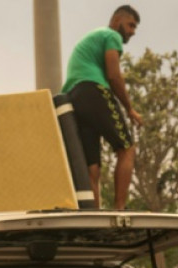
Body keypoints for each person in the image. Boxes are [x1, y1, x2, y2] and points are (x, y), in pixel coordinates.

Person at [61, 5, 143, 210]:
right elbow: (114, 76)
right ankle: (120, 209)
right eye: (130, 25)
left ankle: (93, 216)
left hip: (74, 97)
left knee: (92, 168)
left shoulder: (93, 37)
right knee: (126, 149)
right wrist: (129, 108)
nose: (133, 31)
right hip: (93, 91)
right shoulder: (111, 35)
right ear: (117, 21)